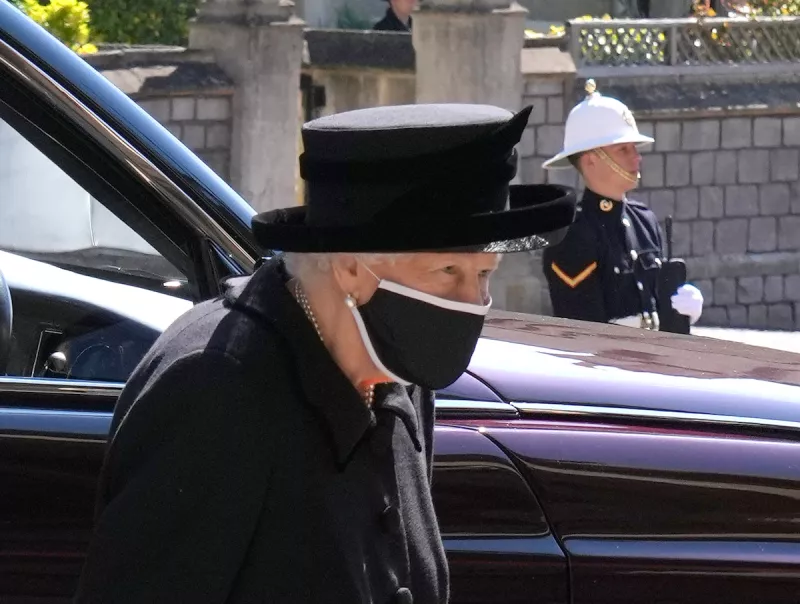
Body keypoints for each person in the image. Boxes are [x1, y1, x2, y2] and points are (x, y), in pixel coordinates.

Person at [74, 103, 576, 603]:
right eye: (448, 273)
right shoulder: (216, 388)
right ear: (352, 268)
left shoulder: (396, 373)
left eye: (484, 274)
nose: (472, 302)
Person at [541, 80, 703, 332]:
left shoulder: (644, 220)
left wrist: (679, 311)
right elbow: (583, 328)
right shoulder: (572, 234)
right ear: (591, 160)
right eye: (623, 149)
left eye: (634, 148)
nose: (636, 157)